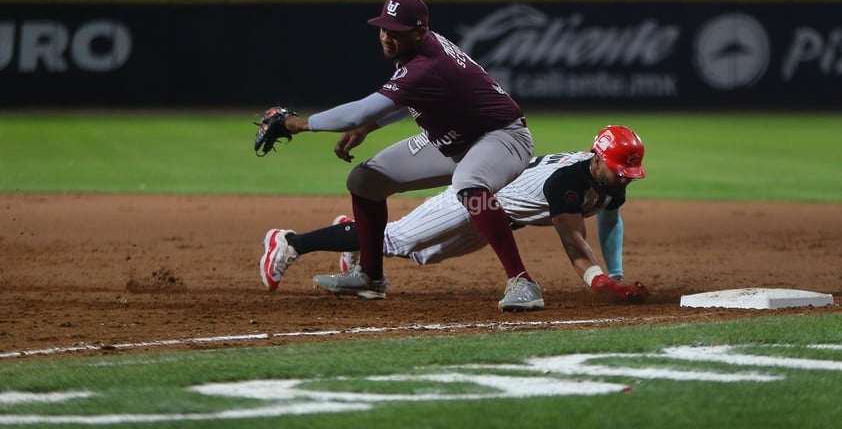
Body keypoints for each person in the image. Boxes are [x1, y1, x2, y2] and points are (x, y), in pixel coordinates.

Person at [259, 0, 541, 311]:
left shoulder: (427, 64)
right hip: (457, 139)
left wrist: (297, 125)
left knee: (469, 182)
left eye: (396, 31)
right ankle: (370, 275)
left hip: (503, 137)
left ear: (419, 32)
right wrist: (369, 127)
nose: (387, 37)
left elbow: (358, 111)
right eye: (383, 29)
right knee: (366, 181)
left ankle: (522, 281)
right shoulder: (419, 50)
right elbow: (406, 101)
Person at [261, 125, 649, 303]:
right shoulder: (567, 183)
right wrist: (603, 286)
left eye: (630, 172)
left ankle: (351, 235)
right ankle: (290, 243)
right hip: (475, 197)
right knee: (396, 239)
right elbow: (573, 242)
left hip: (499, 217)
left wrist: (615, 274)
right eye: (620, 169)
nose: (625, 177)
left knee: (422, 254)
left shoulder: (612, 181)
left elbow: (610, 220)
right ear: (598, 159)